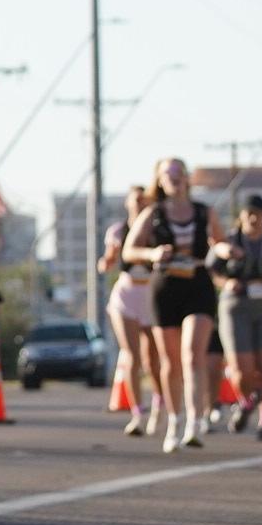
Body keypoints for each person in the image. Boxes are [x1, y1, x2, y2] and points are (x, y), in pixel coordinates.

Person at [125, 156, 219, 453]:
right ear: (160, 180)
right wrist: (152, 254)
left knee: (193, 355)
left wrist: (227, 250)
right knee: (170, 361)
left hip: (198, 285)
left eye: (179, 171)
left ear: (187, 178)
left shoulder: (204, 211)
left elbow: (220, 241)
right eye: (168, 173)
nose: (175, 177)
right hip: (165, 287)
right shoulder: (153, 213)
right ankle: (174, 420)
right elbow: (130, 251)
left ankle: (195, 422)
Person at [214, 194, 262, 440]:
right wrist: (226, 283)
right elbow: (212, 269)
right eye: (250, 214)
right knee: (241, 369)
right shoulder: (229, 241)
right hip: (236, 305)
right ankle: (246, 401)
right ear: (242, 216)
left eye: (259, 214)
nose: (254, 219)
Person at [101, 184, 161, 438]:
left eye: (143, 200)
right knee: (131, 355)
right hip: (126, 293)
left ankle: (159, 404)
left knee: (153, 359)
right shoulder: (118, 231)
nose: (139, 204)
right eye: (135, 200)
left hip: (151, 293)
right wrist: (106, 262)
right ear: (127, 203)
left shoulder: (156, 230)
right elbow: (109, 258)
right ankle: (137, 413)